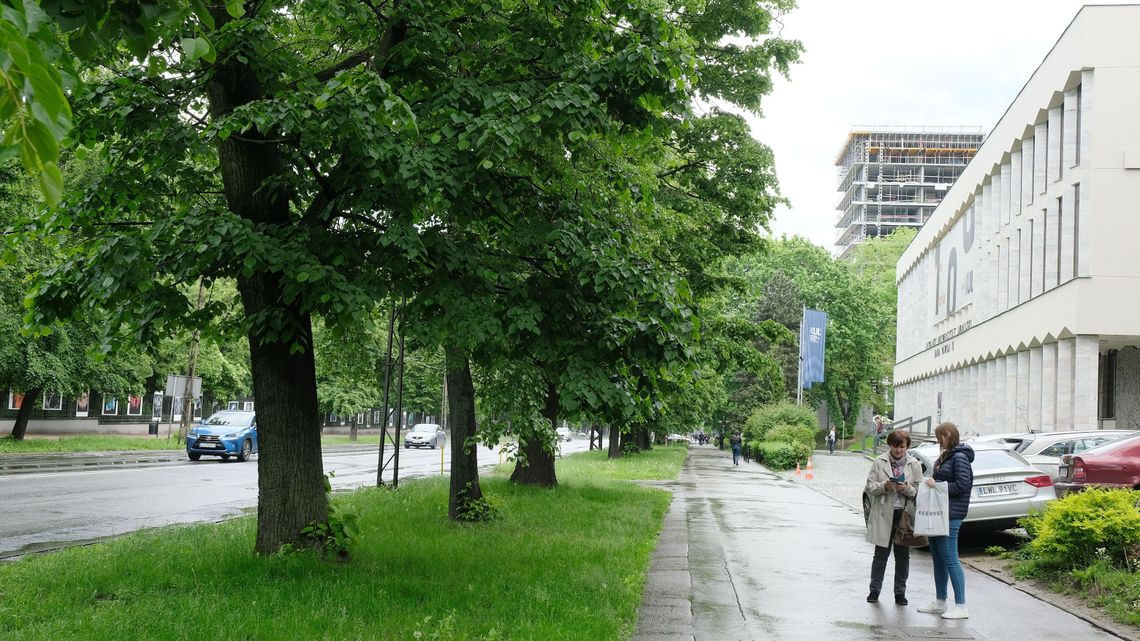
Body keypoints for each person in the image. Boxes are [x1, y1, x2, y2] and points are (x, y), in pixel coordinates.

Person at [917, 421, 974, 620]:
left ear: (948, 435)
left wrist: (937, 484)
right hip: (939, 513)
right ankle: (940, 601)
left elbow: (962, 486)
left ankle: (961, 606)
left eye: (939, 436)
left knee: (950, 558)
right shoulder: (947, 456)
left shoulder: (959, 457)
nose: (938, 441)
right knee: (939, 558)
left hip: (951, 515)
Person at [864, 429, 922, 606]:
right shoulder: (879, 461)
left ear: (907, 446)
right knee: (880, 554)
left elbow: (920, 492)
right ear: (890, 445)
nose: (899, 450)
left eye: (902, 447)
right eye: (896, 446)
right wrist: (884, 486)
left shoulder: (914, 465)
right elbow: (869, 486)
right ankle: (874, 591)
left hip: (904, 515)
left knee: (903, 556)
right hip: (884, 513)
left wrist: (907, 488)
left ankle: (900, 593)